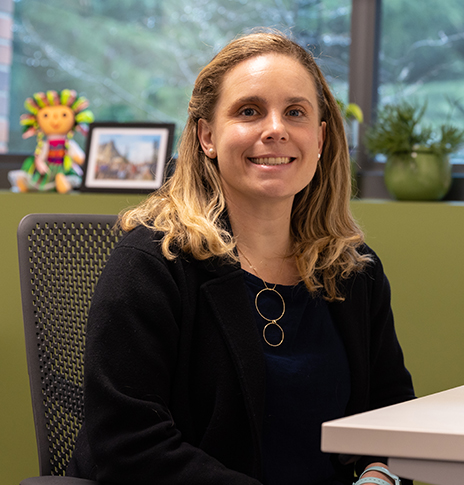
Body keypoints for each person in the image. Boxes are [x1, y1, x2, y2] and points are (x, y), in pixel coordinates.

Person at [67, 31, 415, 485]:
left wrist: (379, 477)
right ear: (207, 136)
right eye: (249, 111)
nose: (276, 129)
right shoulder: (152, 264)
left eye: (296, 112)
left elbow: (390, 418)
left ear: (321, 137)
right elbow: (128, 444)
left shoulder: (352, 270)